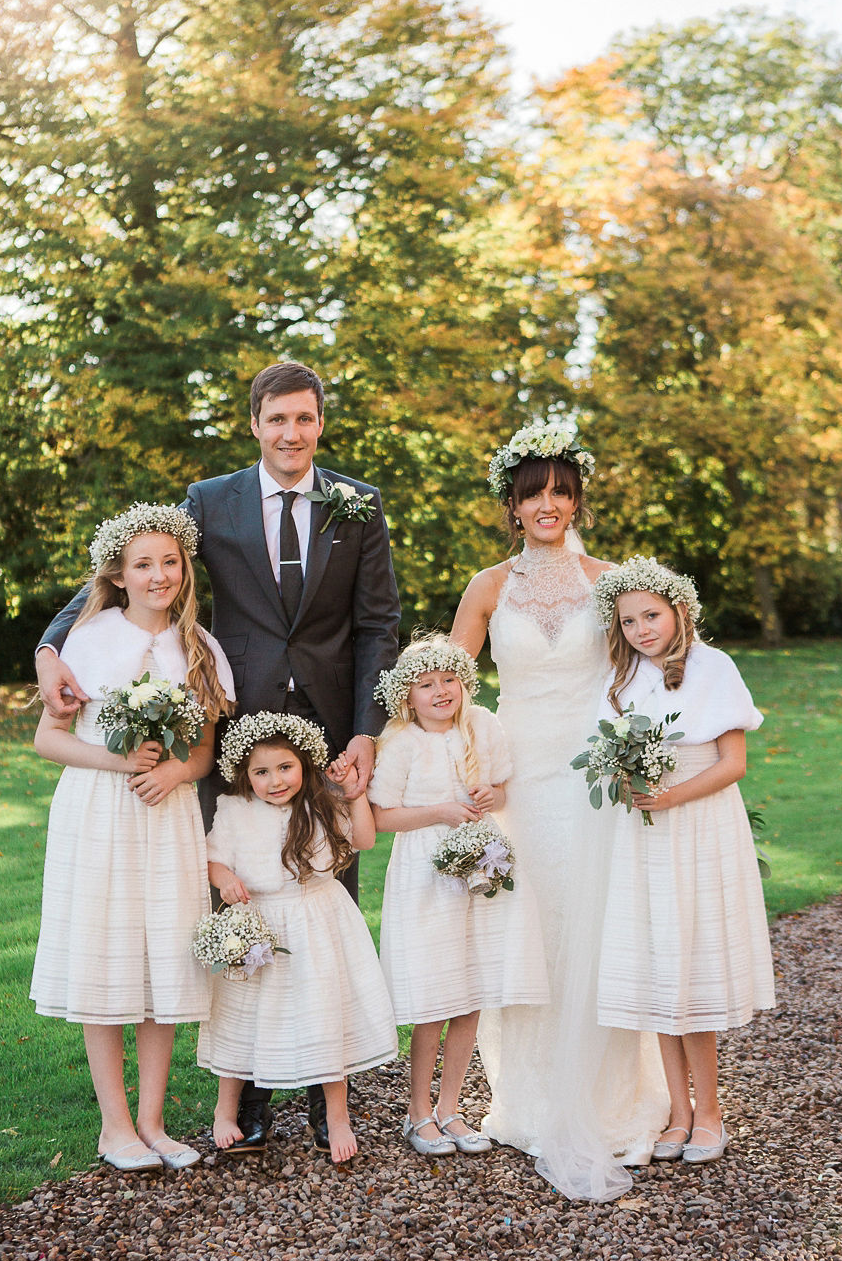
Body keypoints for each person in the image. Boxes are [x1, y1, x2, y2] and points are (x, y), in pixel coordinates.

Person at [34, 360, 401, 1151]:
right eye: (277, 420)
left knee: (325, 897)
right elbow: (122, 570)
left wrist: (367, 730)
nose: (291, 433)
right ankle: (252, 1081)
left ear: (320, 423)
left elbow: (379, 624)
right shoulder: (208, 502)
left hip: (329, 731)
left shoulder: (358, 504)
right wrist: (47, 646)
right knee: (239, 893)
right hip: (231, 731)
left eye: (304, 419)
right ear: (256, 424)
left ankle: (325, 1075)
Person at [452, 424, 667, 1196]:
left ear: (576, 499)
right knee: (529, 934)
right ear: (512, 505)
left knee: (593, 928)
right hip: (518, 782)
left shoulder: (610, 581)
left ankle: (612, 1102)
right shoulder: (486, 587)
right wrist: (468, 774)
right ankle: (531, 1102)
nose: (548, 504)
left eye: (561, 492)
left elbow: (655, 666)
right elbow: (453, 690)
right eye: (533, 493)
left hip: (592, 780)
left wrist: (664, 753)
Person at [30, 504, 236, 1172]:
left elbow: (204, 754)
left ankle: (153, 1122)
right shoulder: (84, 640)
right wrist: (122, 763)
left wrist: (173, 771)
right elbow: (47, 738)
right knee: (108, 956)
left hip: (168, 815)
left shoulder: (200, 648)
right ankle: (113, 1127)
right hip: (99, 813)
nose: (158, 576)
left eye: (170, 563)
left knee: (163, 959)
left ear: (185, 570)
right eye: (143, 565)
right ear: (117, 573)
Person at [588, 557, 775, 1166]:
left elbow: (733, 764)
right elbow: (607, 757)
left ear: (678, 611)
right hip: (643, 834)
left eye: (652, 615)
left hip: (696, 822)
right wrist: (622, 781)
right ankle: (678, 1110)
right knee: (657, 966)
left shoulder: (713, 667)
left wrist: (668, 796)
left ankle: (711, 1112)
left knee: (691, 964)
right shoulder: (621, 680)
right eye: (630, 620)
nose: (643, 629)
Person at [368, 636, 548, 1157]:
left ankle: (451, 1107)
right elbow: (381, 818)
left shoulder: (482, 726)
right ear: (408, 697)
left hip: (482, 864)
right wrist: (441, 812)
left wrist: (495, 796)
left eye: (449, 680)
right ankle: (418, 1111)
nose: (440, 691)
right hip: (427, 874)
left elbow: (504, 788)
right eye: (426, 685)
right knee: (436, 993)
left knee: (471, 990)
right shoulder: (399, 742)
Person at [197, 712, 397, 1165]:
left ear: (303, 764)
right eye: (261, 772)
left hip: (317, 921)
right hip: (258, 924)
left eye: (284, 767)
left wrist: (355, 793)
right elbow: (212, 859)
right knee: (241, 1017)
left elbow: (364, 839)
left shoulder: (321, 804)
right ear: (245, 776)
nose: (274, 781)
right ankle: (226, 1112)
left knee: (323, 1012)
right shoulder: (233, 809)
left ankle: (336, 1113)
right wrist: (225, 878)